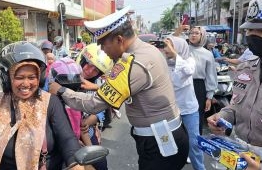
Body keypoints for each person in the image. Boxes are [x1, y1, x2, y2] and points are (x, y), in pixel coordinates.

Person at [50, 6, 189, 170]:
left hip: (161, 142)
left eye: (102, 44)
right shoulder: (147, 50)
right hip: (165, 135)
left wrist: (60, 90)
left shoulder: (132, 64)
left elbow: (94, 104)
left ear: (119, 40)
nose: (101, 49)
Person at [0, 41, 83, 170]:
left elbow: (67, 140)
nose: (26, 83)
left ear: (40, 78)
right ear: (7, 78)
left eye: (32, 77)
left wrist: (75, 164)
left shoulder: (50, 103)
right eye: (19, 77)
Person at [207, 0, 262, 169]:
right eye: (249, 30)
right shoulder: (246, 69)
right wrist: (223, 117)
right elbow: (235, 106)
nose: (253, 36)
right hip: (237, 158)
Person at [162, 36, 205, 170]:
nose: (165, 50)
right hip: (169, 112)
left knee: (194, 144)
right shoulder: (163, 63)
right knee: (168, 145)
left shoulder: (188, 61)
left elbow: (188, 70)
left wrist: (175, 54)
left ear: (178, 48)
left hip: (189, 111)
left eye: (169, 46)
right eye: (165, 46)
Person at [175, 25, 218, 135]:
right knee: (178, 113)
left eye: (196, 33)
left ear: (202, 35)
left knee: (197, 115)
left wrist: (209, 97)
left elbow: (211, 76)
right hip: (182, 85)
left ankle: (195, 142)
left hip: (198, 87)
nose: (193, 35)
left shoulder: (207, 54)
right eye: (191, 33)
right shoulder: (183, 49)